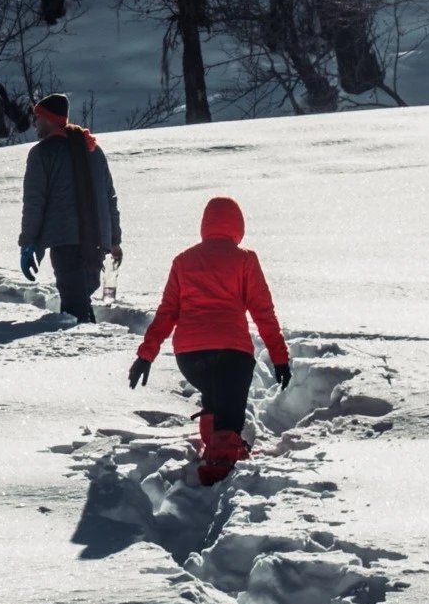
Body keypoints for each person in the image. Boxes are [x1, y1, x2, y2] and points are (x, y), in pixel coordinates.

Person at [128, 196, 291, 486]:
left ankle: (214, 448)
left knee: (216, 398)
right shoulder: (245, 259)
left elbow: (167, 312)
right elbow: (263, 312)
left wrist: (146, 355)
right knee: (230, 416)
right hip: (233, 353)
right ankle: (218, 473)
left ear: (205, 225)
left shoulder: (184, 261)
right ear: (238, 226)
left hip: (191, 356)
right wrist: (279, 357)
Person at [18, 94, 122, 323]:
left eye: (38, 117)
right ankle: (91, 340)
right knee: (81, 297)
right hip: (95, 239)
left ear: (48, 119)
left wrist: (28, 242)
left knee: (75, 308)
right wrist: (113, 239)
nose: (34, 123)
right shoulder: (92, 149)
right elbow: (109, 197)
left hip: (65, 239)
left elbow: (35, 202)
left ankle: (83, 349)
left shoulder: (42, 153)